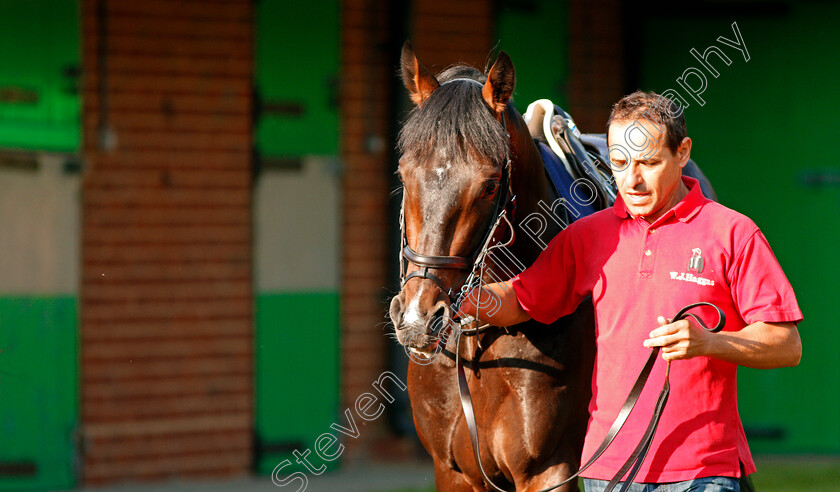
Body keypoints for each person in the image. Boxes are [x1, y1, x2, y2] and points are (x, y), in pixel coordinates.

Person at [458, 91, 802, 492]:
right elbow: (520, 299)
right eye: (619, 164)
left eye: (649, 163)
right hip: (608, 471)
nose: (632, 180)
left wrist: (709, 342)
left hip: (702, 471)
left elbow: (786, 345)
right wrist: (456, 300)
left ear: (683, 152)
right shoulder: (587, 236)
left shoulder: (733, 232)